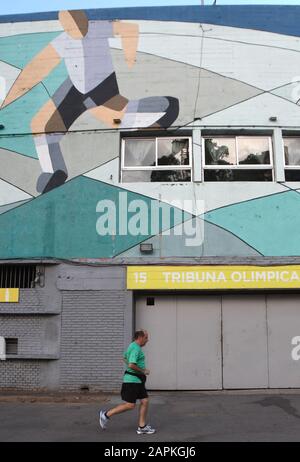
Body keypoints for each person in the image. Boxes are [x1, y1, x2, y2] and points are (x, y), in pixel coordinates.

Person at [1, 10, 179, 194]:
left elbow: (129, 29)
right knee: (40, 125)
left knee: (128, 117)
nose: (77, 31)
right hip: (74, 88)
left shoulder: (97, 28)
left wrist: (130, 56)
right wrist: (7, 101)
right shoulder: (63, 40)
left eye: (79, 25)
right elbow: (34, 70)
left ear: (85, 21)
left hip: (101, 87)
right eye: (71, 27)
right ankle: (55, 171)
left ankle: (163, 111)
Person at [99, 329, 156, 435]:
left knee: (145, 401)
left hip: (137, 381)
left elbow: (125, 358)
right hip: (132, 381)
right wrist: (143, 370)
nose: (147, 340)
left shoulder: (132, 346)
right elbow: (131, 364)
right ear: (140, 337)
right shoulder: (135, 349)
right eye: (146, 338)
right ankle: (106, 415)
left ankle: (142, 427)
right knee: (130, 405)